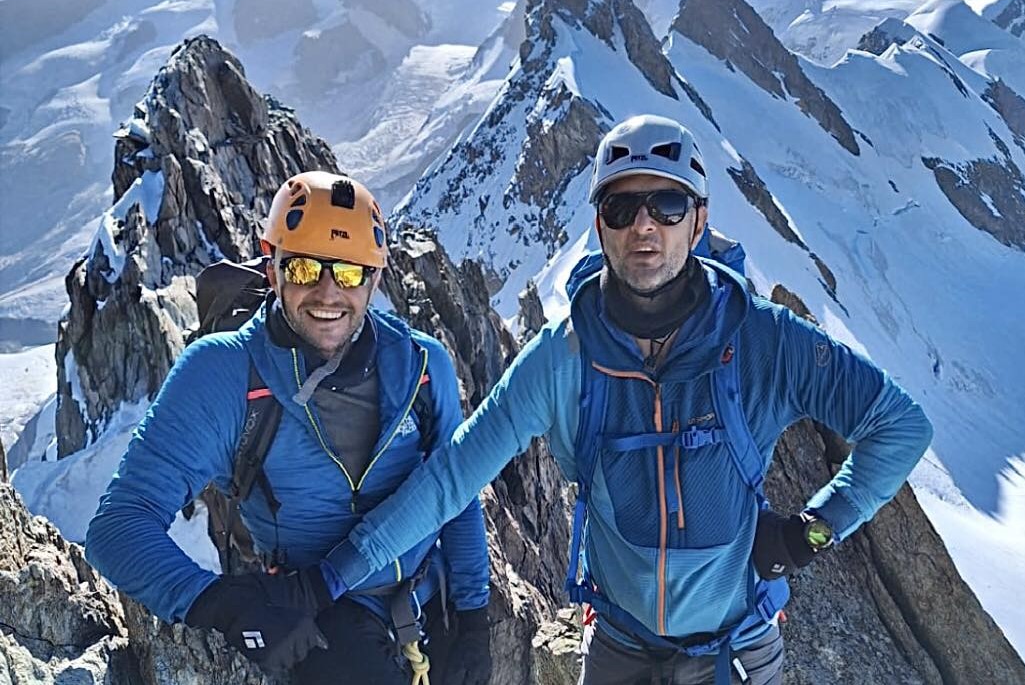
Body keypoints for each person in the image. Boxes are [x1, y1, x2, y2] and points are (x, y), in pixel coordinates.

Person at [303, 115, 935, 685]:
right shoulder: (563, 356)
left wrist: (810, 533)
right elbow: (451, 478)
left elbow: (900, 426)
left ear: (699, 219)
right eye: (621, 207)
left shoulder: (763, 339)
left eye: (666, 204)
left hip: (732, 647)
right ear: (599, 223)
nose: (644, 226)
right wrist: (330, 577)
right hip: (618, 646)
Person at [85, 171, 493, 685]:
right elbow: (117, 526)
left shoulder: (423, 364)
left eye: (348, 273)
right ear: (273, 269)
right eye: (303, 267)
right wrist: (224, 606)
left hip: (430, 602)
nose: (327, 292)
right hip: (317, 618)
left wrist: (474, 618)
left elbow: (457, 494)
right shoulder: (225, 374)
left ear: (375, 278)